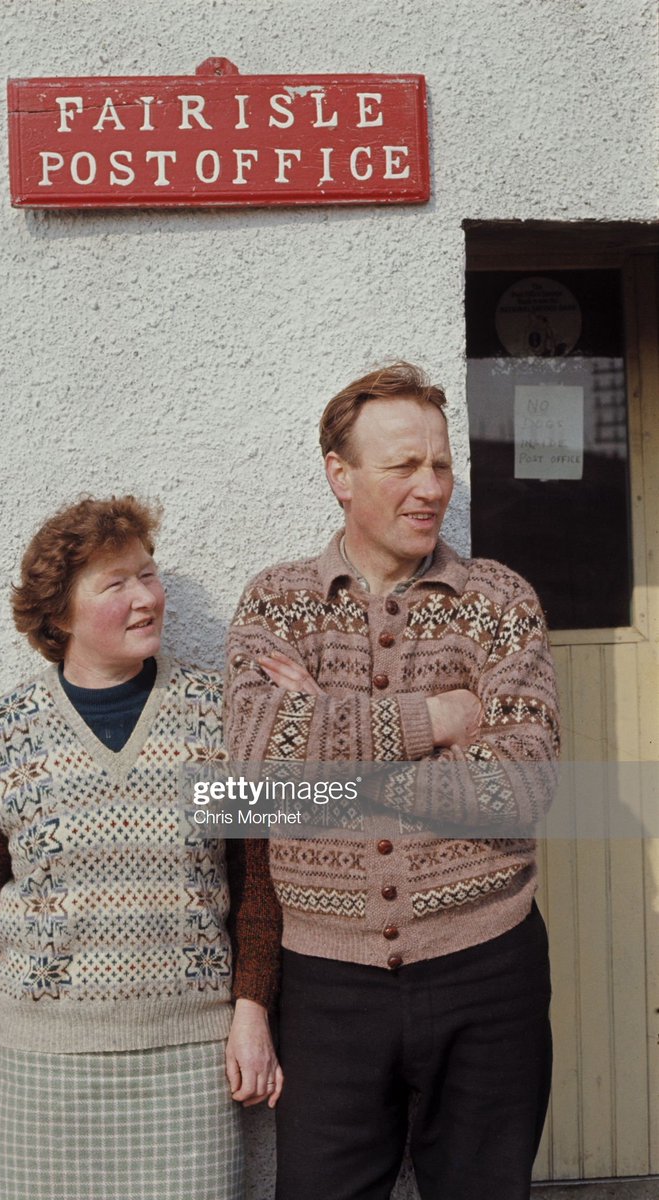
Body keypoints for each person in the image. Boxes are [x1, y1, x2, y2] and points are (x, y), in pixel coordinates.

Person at [224, 363, 560, 1200]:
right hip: (323, 987)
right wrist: (438, 721)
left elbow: (523, 785)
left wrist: (328, 735)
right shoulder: (278, 604)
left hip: (488, 968)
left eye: (441, 465)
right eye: (403, 466)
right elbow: (256, 769)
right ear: (339, 475)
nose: (431, 487)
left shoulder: (499, 602)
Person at [0, 494, 278, 1200]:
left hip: (191, 1065)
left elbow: (257, 886)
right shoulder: (1, 739)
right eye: (116, 584)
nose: (146, 596)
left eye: (148, 574)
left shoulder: (219, 718)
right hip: (43, 1073)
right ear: (59, 615)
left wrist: (252, 1012)